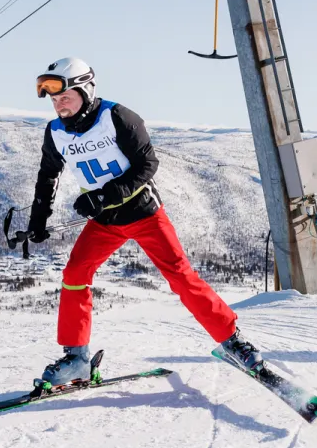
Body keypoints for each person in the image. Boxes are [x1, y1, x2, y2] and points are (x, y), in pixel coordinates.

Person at [24, 58, 264, 390]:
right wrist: (37, 221)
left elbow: (147, 165)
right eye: (54, 99)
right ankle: (77, 358)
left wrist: (105, 194)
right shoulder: (55, 132)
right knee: (75, 275)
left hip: (143, 213)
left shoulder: (117, 117)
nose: (58, 105)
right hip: (105, 221)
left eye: (64, 97)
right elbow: (47, 177)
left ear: (85, 91)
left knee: (180, 276)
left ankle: (233, 341)